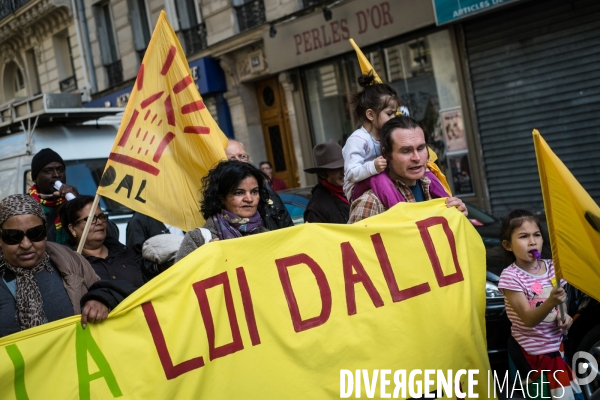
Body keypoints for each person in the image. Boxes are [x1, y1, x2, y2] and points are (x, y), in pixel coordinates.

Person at [0, 194, 132, 338]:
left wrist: (100, 299)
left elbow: (105, 288)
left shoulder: (71, 260)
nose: (26, 245)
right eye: (13, 236)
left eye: (35, 233)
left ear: (45, 232)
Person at [498, 210, 583, 399]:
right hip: (531, 356)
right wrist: (550, 300)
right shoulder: (510, 276)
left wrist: (565, 316)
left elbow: (562, 304)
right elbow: (528, 319)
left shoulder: (554, 268)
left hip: (557, 350)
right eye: (523, 236)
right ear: (508, 245)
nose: (532, 241)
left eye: (537, 235)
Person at [348, 117, 467, 223]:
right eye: (406, 151)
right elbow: (355, 246)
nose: (416, 158)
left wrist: (459, 217)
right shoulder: (371, 203)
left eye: (421, 148)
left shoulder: (435, 189)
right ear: (387, 154)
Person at [176, 161, 270, 261]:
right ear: (221, 197)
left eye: (254, 191)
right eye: (239, 193)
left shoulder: (267, 235)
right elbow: (182, 276)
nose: (249, 199)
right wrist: (206, 260)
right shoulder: (197, 239)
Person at [28, 148, 119, 244]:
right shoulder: (27, 205)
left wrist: (77, 201)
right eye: (48, 171)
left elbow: (112, 234)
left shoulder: (79, 200)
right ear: (35, 178)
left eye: (60, 169)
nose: (56, 175)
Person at [59, 196, 145, 288]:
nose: (99, 222)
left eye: (101, 216)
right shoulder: (68, 264)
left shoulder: (123, 251)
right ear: (72, 228)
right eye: (91, 219)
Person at [342, 73, 401, 201]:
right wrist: (373, 166)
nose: (394, 118)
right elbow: (351, 173)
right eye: (389, 114)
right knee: (379, 177)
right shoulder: (357, 139)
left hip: (384, 182)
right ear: (370, 114)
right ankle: (400, 209)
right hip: (357, 189)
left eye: (395, 113)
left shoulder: (388, 134)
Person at [225, 140, 293, 231]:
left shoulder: (269, 196)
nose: (239, 162)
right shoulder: (217, 222)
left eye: (242, 156)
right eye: (232, 159)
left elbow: (290, 232)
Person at [126, 212, 184, 279]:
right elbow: (134, 260)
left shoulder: (185, 214)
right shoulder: (139, 220)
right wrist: (159, 267)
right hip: (162, 280)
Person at [303, 141, 349, 224]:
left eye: (344, 166)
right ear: (323, 174)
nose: (343, 172)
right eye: (336, 169)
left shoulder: (356, 191)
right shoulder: (316, 209)